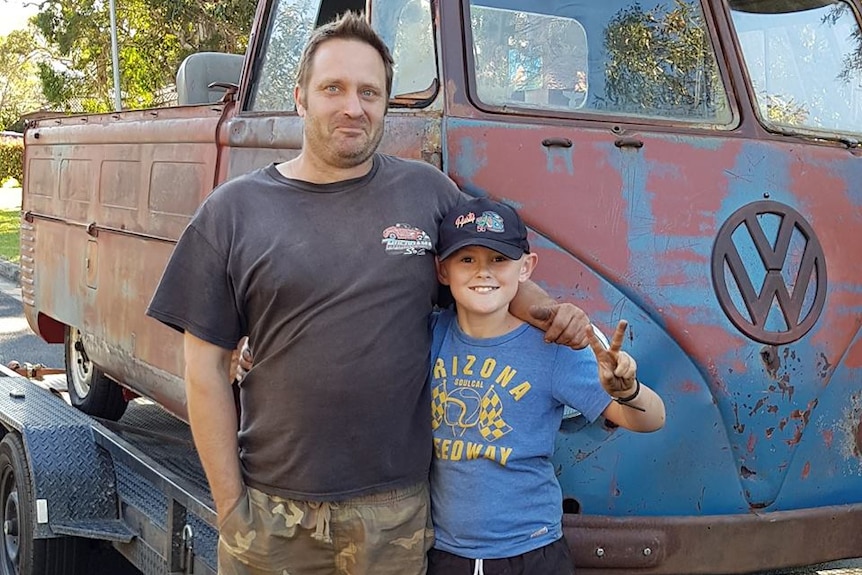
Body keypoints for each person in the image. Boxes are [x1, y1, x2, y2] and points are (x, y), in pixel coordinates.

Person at [146, 11, 593, 575]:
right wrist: (232, 508)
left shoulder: (426, 192)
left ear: (386, 104)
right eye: (333, 88)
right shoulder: (232, 213)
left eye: (370, 92)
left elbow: (487, 266)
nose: (353, 107)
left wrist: (553, 314)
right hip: (274, 512)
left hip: (396, 518)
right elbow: (204, 369)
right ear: (301, 98)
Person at [427, 197, 666, 575]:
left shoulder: (554, 350)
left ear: (527, 268)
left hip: (532, 550)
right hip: (445, 551)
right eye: (466, 259)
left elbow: (649, 419)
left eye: (499, 260)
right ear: (443, 271)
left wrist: (628, 391)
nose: (483, 272)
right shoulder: (430, 337)